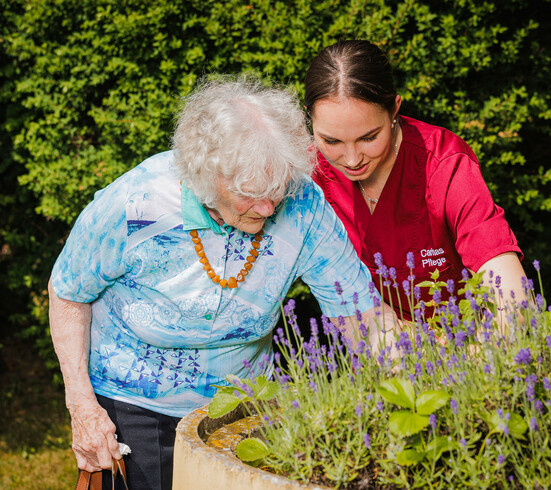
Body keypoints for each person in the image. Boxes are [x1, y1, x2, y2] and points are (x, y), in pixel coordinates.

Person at [48, 76, 397, 490]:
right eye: (252, 192)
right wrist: (82, 407)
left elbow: (361, 314)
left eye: (278, 190)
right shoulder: (135, 202)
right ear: (203, 171)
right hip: (134, 409)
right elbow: (68, 293)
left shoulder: (304, 206)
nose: (268, 207)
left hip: (242, 408)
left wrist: (417, 382)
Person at [305, 39, 528, 321]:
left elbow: (509, 290)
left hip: (466, 344)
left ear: (394, 109)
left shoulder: (444, 163)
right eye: (331, 140)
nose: (351, 159)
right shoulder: (307, 175)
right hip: (377, 346)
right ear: (309, 118)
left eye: (369, 137)